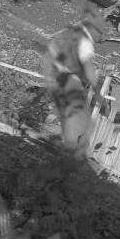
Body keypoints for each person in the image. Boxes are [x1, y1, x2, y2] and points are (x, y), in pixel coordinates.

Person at [44, 8, 105, 158]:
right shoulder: (85, 41)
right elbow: (88, 66)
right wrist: (97, 91)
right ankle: (71, 155)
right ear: (93, 29)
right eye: (100, 33)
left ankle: (62, 146)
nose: (101, 38)